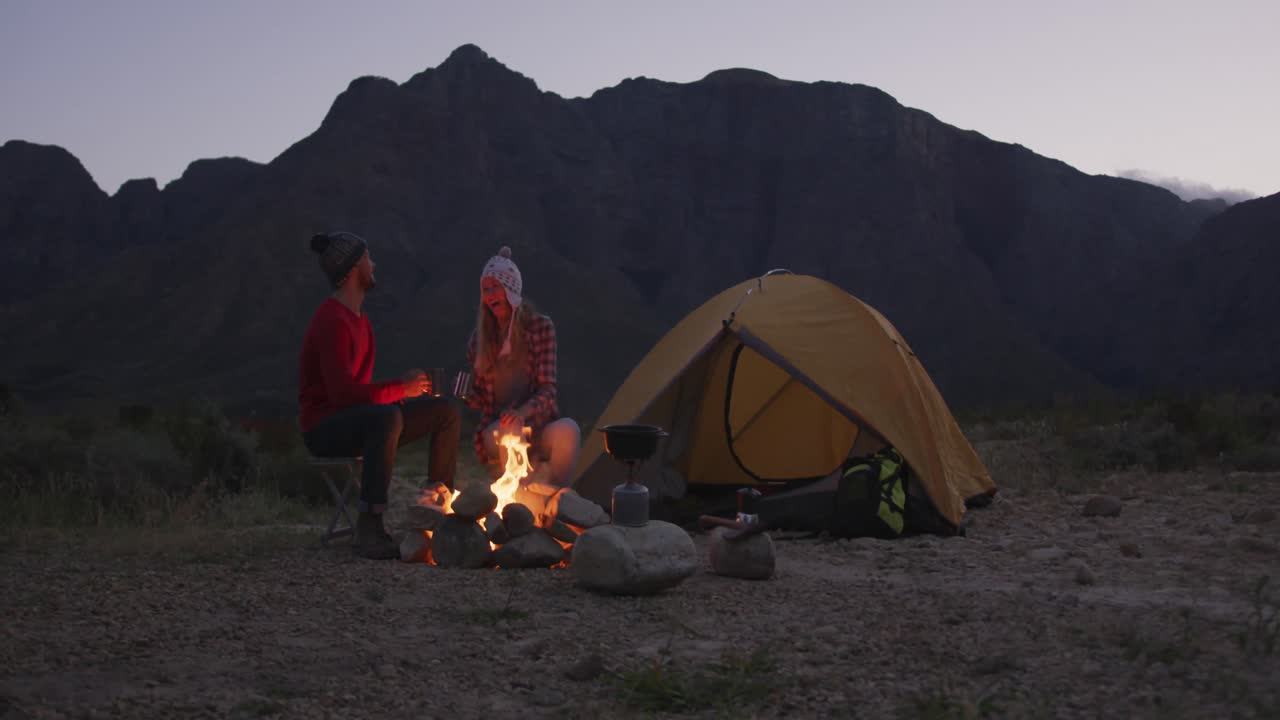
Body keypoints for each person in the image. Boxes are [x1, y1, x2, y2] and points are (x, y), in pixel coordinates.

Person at [298, 231, 460, 559]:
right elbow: (343, 395)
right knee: (386, 416)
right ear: (356, 266)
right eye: (369, 258)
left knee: (445, 412)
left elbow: (360, 396)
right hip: (324, 429)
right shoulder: (331, 320)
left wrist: (404, 394)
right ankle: (370, 528)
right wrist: (400, 390)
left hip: (362, 421)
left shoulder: (362, 322)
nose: (374, 264)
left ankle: (437, 511)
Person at [465, 246, 580, 486]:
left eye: (495, 287)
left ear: (510, 289)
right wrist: (463, 392)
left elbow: (548, 389)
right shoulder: (480, 340)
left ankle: (557, 504)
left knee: (569, 430)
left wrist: (521, 413)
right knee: (509, 432)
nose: (489, 295)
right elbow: (479, 400)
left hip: (538, 425)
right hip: (498, 429)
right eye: (485, 289)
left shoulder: (540, 328)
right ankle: (520, 509)